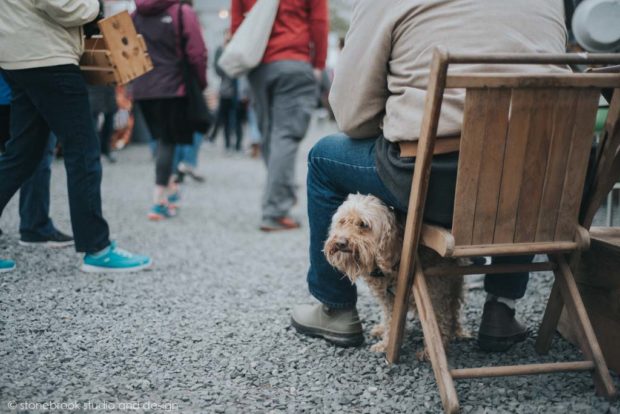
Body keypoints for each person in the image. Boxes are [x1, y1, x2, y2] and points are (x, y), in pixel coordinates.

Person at [290, 0, 568, 351]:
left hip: (437, 182)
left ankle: (336, 308)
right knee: (519, 160)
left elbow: (351, 116)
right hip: (544, 183)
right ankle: (502, 307)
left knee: (322, 158)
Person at [0, 0, 151, 273]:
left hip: (17, 53)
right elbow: (62, 4)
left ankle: (94, 245)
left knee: (22, 153)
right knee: (83, 150)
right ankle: (97, 248)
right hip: (48, 55)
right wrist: (94, 5)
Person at [231, 0, 328, 232]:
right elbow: (319, 21)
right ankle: (275, 210)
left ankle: (281, 195)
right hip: (295, 62)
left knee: (269, 134)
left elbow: (237, 24)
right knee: (285, 136)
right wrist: (319, 64)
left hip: (259, 67)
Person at [132, 0, 207, 221]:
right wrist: (200, 83)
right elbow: (197, 52)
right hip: (173, 86)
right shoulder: (182, 11)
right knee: (168, 141)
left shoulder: (136, 14)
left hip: (143, 88)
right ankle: (158, 201)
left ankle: (171, 187)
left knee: (159, 138)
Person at [210, 32, 244, 153]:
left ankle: (237, 144)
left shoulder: (240, 50)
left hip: (238, 93)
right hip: (226, 91)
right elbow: (218, 70)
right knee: (225, 119)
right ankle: (228, 144)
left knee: (237, 120)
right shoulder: (221, 51)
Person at [89, 85, 118, 163]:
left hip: (108, 88)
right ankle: (96, 152)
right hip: (94, 88)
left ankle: (105, 149)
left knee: (109, 124)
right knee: (93, 126)